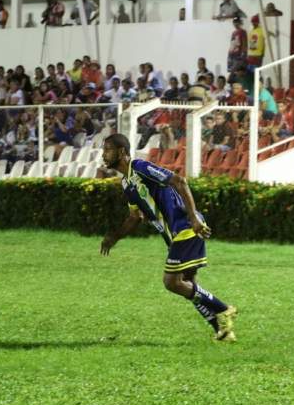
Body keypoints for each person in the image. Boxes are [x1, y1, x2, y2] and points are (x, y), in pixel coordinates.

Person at [99, 134, 239, 341]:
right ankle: (223, 331)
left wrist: (193, 218)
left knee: (172, 282)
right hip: (174, 234)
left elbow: (179, 181)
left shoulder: (139, 167)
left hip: (186, 227)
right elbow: (134, 216)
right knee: (189, 282)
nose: (104, 154)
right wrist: (115, 237)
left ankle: (223, 308)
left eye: (107, 149)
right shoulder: (126, 182)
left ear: (121, 152)